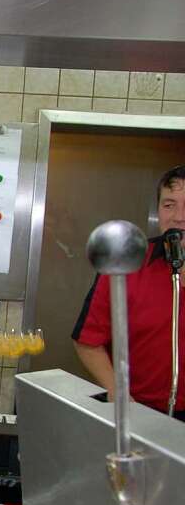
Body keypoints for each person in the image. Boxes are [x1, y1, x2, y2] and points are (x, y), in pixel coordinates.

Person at [73, 165, 185, 421]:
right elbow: (88, 341)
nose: (179, 217)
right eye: (169, 205)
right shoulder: (126, 261)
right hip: (139, 411)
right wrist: (117, 390)